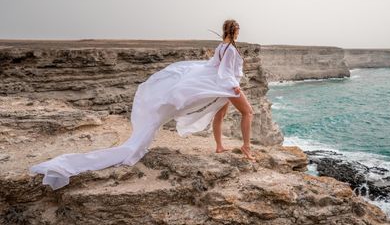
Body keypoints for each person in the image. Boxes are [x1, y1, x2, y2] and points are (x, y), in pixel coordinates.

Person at [29, 19, 255, 190]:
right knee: (248, 112)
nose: (238, 33)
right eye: (237, 30)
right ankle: (246, 146)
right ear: (234, 31)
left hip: (219, 82)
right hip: (227, 84)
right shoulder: (231, 49)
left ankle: (218, 146)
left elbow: (213, 66)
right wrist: (233, 87)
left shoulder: (220, 47)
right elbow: (225, 71)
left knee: (220, 113)